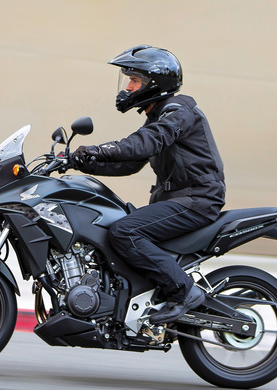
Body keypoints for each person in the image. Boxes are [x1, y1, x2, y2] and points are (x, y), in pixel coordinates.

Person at [71, 45, 225, 324]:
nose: (128, 87)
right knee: (111, 226)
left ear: (155, 83)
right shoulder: (159, 116)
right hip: (177, 200)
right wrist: (81, 163)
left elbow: (146, 143)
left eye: (134, 80)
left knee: (124, 232)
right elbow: (130, 163)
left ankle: (183, 292)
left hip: (197, 201)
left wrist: (100, 149)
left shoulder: (178, 111)